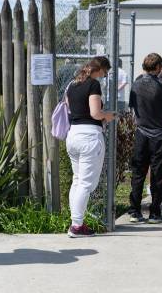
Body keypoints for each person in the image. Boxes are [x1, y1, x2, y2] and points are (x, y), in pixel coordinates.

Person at [65, 57, 115, 237]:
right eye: (104, 72)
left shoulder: (72, 84)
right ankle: (77, 226)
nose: (104, 76)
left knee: (77, 180)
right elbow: (95, 113)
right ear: (99, 69)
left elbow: (70, 108)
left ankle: (76, 222)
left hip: (73, 135)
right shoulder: (93, 84)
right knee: (86, 184)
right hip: (89, 136)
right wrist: (107, 115)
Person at [128, 53, 162, 223]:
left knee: (138, 171)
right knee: (157, 173)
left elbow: (133, 108)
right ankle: (154, 212)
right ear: (157, 67)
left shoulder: (136, 85)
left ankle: (135, 211)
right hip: (159, 134)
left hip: (141, 132)